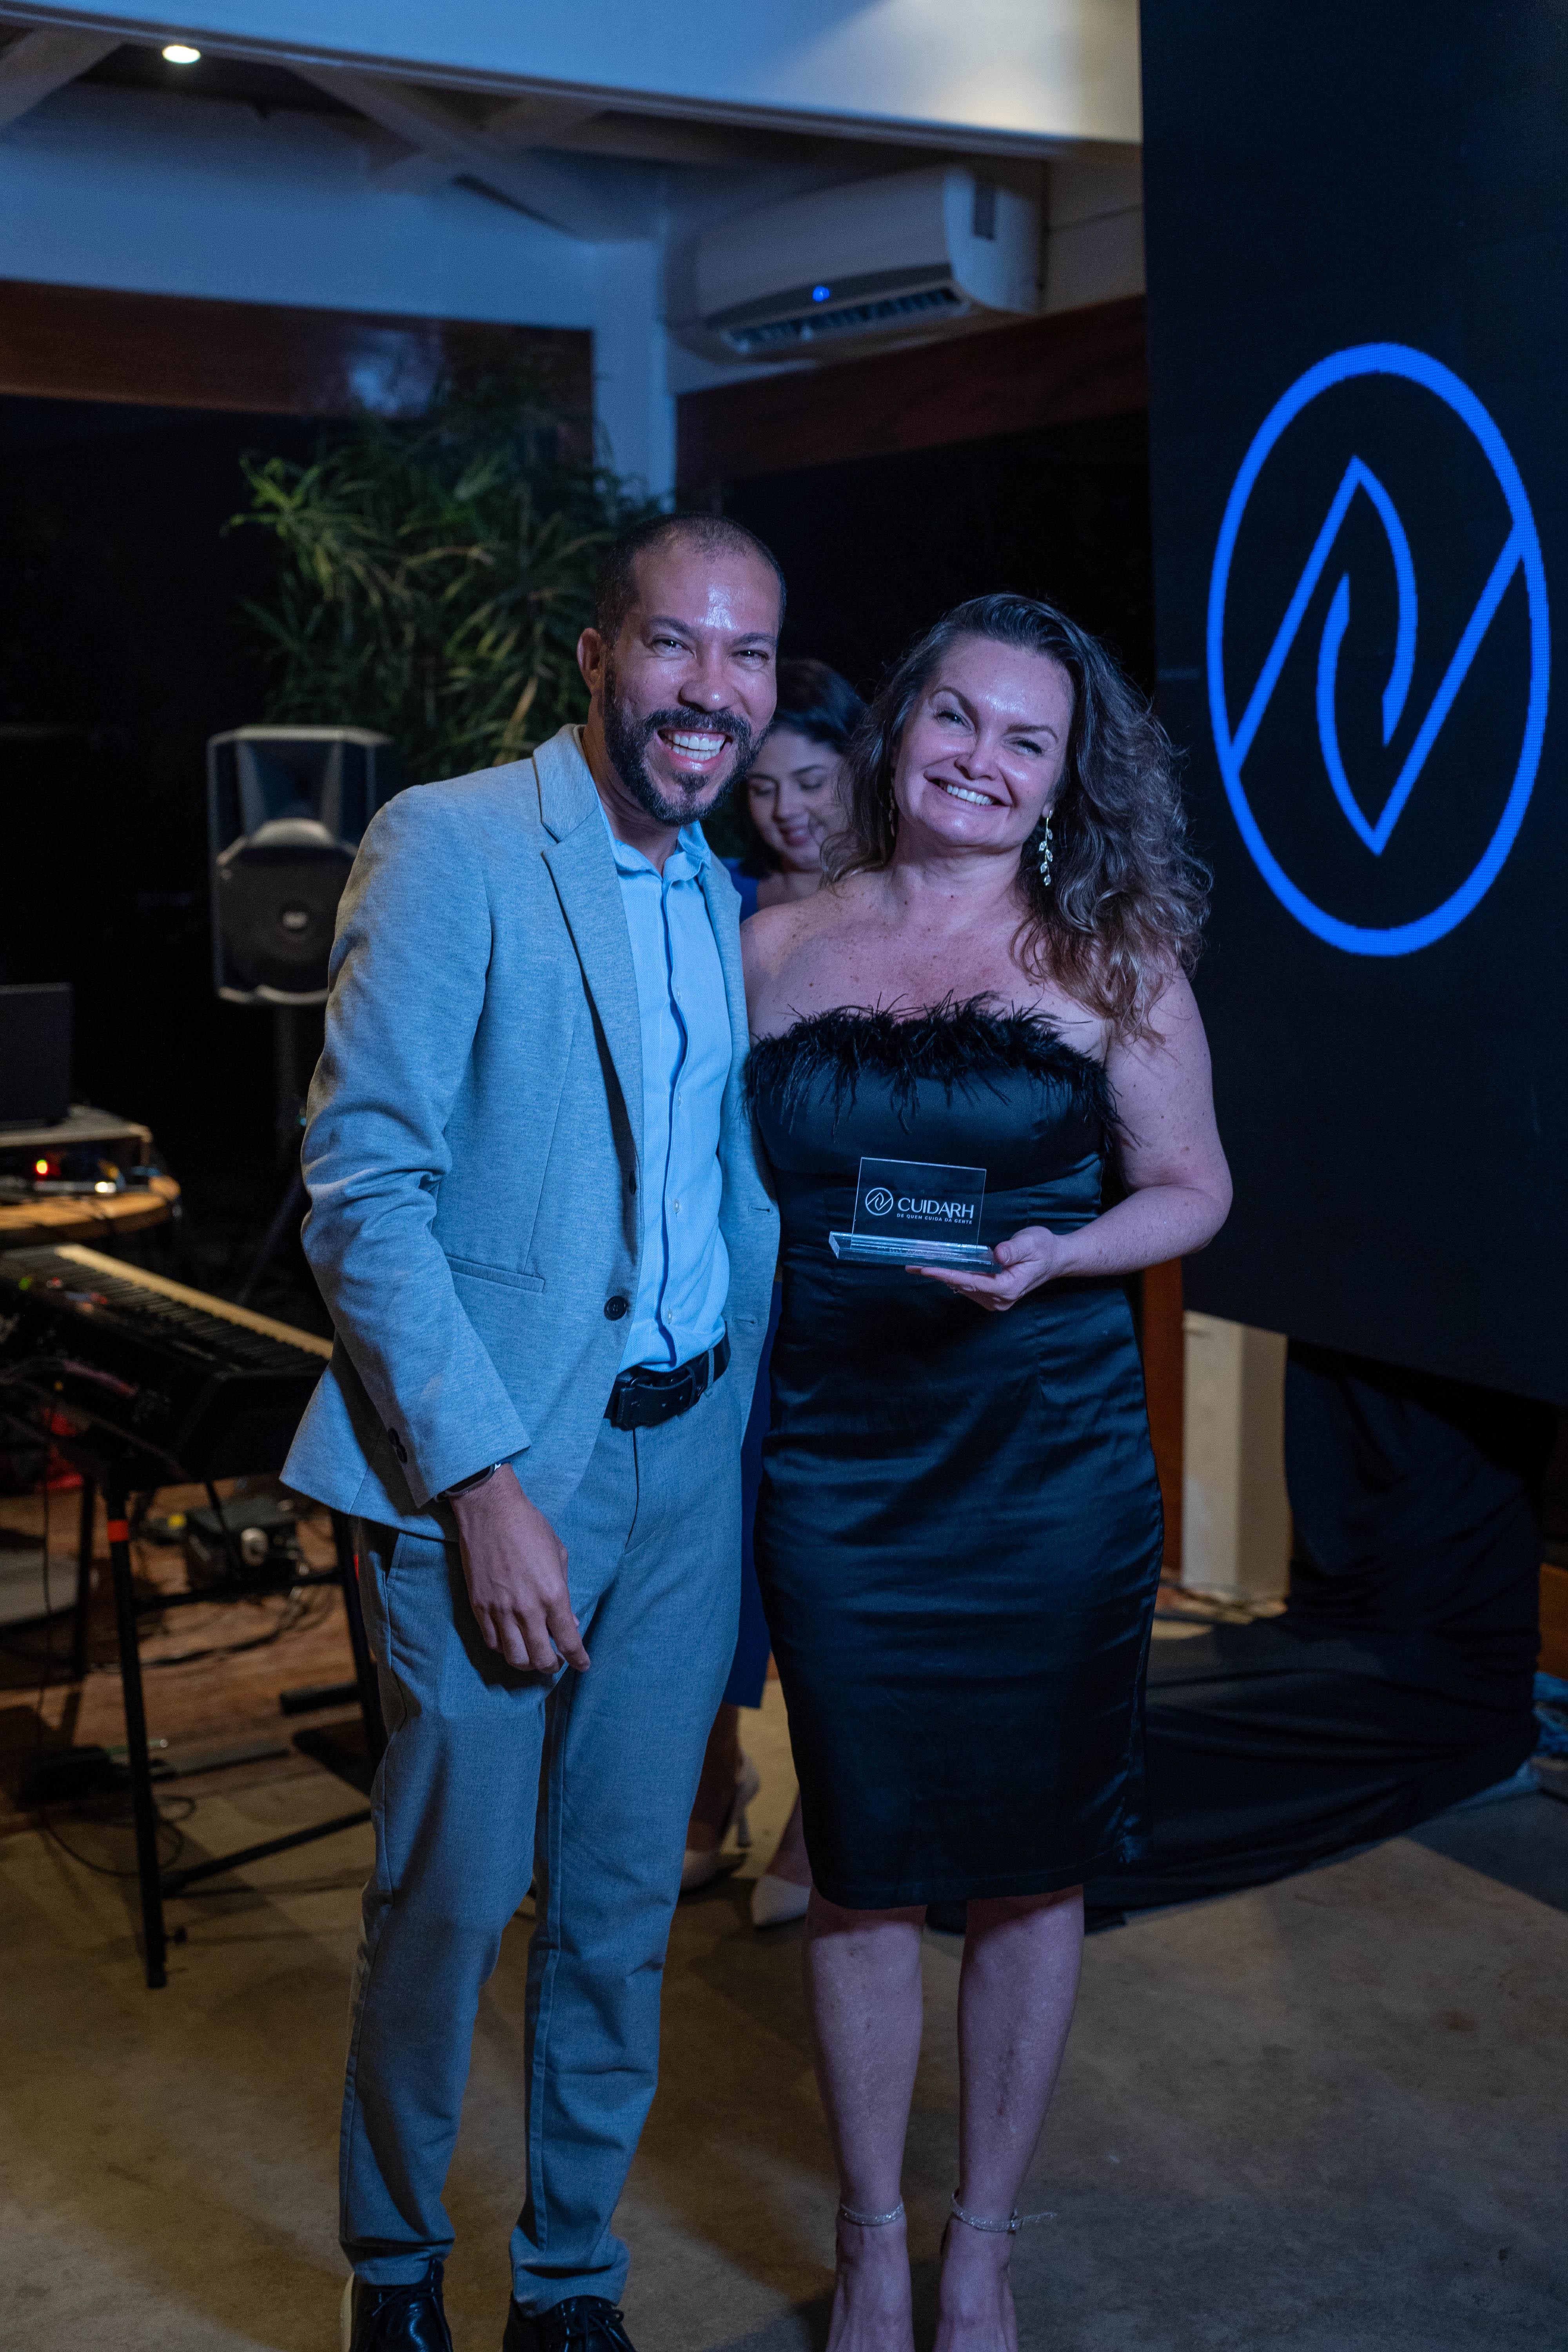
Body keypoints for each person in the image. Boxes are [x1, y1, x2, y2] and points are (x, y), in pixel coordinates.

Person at [282, 512, 783, 2352]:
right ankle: (396, 2271)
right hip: (498, 1465)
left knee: (623, 1905)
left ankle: (569, 2279)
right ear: (597, 655)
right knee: (449, 1894)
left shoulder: (731, 895)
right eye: (674, 644)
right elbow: (363, 1187)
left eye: (746, 656)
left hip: (687, 1464)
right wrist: (481, 1487)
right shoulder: (459, 840)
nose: (709, 690)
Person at [742, 594, 1231, 2352]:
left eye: (1028, 741)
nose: (981, 760)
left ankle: (983, 2245)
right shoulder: (773, 943)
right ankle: (871, 2237)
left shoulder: (1115, 960)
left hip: (1048, 1470)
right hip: (840, 1466)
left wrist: (1067, 1252)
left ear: (1065, 778)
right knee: (862, 1858)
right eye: (958, 718)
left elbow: (1193, 1189)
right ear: (902, 728)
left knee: (1033, 1861)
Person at [686, 659, 862, 1925]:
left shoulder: (912, 904)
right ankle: (711, 1789)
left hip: (863, 1276)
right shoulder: (722, 902)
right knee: (718, 1544)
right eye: (763, 788)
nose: (790, 809)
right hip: (740, 1272)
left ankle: (822, 1818)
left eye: (813, 779)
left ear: (863, 766)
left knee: (841, 1557)